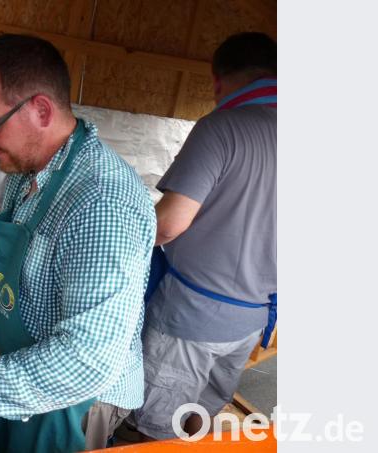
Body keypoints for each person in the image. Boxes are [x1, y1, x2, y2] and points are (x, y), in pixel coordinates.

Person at [0, 33, 156, 452]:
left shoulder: (101, 204)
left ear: (40, 109)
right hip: (20, 367)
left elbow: (85, 361)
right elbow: (8, 235)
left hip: (73, 400)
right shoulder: (29, 168)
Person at [127, 32, 277, 440]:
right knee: (202, 415)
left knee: (154, 429)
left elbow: (167, 225)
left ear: (217, 80)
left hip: (189, 319)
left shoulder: (222, 127)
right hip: (252, 320)